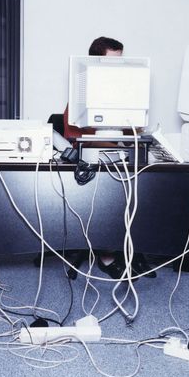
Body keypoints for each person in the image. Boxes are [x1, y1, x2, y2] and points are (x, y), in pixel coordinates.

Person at [62, 36, 156, 279]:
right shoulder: (78, 102)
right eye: (113, 62)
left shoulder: (124, 98)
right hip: (91, 173)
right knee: (110, 193)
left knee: (148, 187)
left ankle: (135, 250)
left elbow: (133, 134)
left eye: (121, 61)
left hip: (120, 166)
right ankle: (106, 253)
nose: (119, 69)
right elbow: (77, 143)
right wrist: (120, 146)